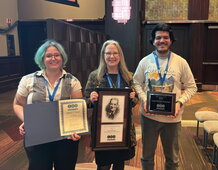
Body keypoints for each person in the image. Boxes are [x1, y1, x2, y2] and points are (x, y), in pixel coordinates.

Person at [133, 23, 197, 170]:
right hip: (149, 117)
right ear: (153, 41)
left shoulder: (181, 62)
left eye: (165, 37)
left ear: (171, 40)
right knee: (147, 157)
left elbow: (192, 87)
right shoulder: (145, 62)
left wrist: (179, 102)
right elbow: (136, 83)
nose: (162, 40)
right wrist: (143, 99)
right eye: (158, 37)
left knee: (172, 159)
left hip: (173, 118)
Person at [13, 40, 82, 170]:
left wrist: (76, 129)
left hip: (65, 137)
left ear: (62, 57)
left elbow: (77, 110)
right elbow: (17, 104)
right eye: (48, 56)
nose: (53, 58)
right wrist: (28, 120)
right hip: (37, 135)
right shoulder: (28, 80)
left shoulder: (73, 81)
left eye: (57, 55)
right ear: (42, 59)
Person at [84, 40, 138, 170]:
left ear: (120, 56)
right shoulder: (95, 76)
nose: (112, 56)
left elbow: (135, 100)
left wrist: (132, 97)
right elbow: (85, 100)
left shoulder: (128, 76)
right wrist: (91, 99)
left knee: (119, 164)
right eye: (108, 53)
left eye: (115, 53)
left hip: (123, 130)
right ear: (103, 55)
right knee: (103, 165)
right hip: (102, 131)